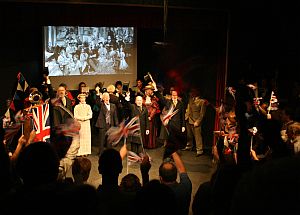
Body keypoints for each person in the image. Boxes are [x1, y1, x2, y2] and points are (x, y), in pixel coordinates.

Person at [154, 87, 186, 159]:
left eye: (175, 95)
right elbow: (161, 98)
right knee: (170, 141)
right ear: (171, 95)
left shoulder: (181, 104)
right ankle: (170, 155)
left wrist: (183, 126)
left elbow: (182, 115)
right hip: (170, 125)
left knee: (176, 141)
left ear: (177, 96)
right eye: (173, 95)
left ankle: (176, 155)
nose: (174, 97)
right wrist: (156, 90)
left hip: (178, 125)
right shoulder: (168, 102)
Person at [184, 88, 207, 156]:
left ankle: (199, 150)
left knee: (197, 136)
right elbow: (188, 109)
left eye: (192, 92)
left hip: (196, 121)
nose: (190, 93)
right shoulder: (190, 100)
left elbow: (202, 114)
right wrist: (186, 117)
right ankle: (189, 146)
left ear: (196, 92)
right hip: (189, 119)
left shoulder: (202, 101)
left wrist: (198, 121)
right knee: (189, 134)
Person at [143, 83, 160, 149]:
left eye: (150, 90)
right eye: (147, 90)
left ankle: (150, 145)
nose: (149, 91)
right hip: (144, 118)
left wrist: (150, 116)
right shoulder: (142, 98)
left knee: (151, 131)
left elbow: (155, 109)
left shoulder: (154, 99)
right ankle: (144, 144)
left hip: (151, 119)